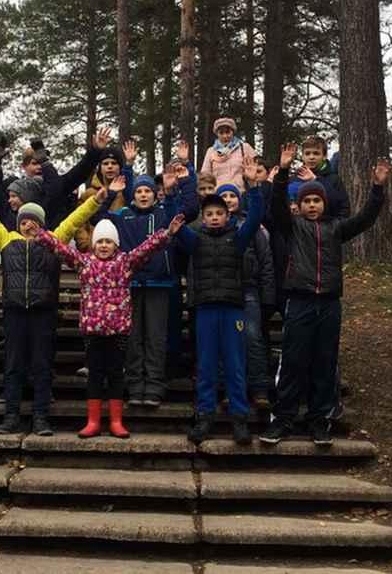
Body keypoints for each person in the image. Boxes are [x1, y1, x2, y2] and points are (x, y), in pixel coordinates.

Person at [261, 144, 391, 446]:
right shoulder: (292, 227)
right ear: (300, 205)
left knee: (324, 363)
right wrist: (282, 172)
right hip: (300, 301)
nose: (312, 205)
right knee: (292, 362)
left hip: (329, 304)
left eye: (317, 200)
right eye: (306, 201)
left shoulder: (336, 228)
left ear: (325, 203)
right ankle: (282, 419)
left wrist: (377, 189)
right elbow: (277, 205)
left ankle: (319, 421)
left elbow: (366, 219)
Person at [35, 181, 186, 438]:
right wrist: (41, 233)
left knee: (116, 375)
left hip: (117, 331)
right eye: (100, 242)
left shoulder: (125, 263)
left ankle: (116, 421)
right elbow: (60, 248)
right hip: (93, 331)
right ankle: (93, 421)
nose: (104, 245)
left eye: (108, 242)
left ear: (116, 245)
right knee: (95, 375)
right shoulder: (84, 263)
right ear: (94, 244)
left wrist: (167, 234)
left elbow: (147, 247)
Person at [0, 179, 107, 437]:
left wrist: (95, 202)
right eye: (23, 221)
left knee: (42, 365)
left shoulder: (53, 240)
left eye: (32, 221)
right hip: (15, 311)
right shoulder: (7, 240)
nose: (27, 224)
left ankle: (41, 418)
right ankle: (11, 417)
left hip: (43, 311)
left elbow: (74, 220)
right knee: (13, 364)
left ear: (41, 223)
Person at [173, 156, 265, 445]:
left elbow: (255, 218)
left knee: (236, 365)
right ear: (203, 217)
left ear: (227, 216)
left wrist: (253, 186)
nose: (214, 217)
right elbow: (176, 221)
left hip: (232, 309)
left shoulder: (237, 239)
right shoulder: (195, 240)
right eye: (209, 213)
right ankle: (204, 417)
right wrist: (180, 187)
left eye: (219, 213)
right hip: (205, 309)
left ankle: (240, 419)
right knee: (206, 366)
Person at [94, 157, 198, 407]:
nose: (143, 195)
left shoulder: (164, 213)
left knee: (155, 338)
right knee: (133, 338)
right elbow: (97, 219)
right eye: (139, 191)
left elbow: (190, 210)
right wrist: (111, 194)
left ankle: (154, 386)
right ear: (133, 194)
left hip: (159, 284)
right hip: (129, 286)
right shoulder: (123, 216)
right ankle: (134, 386)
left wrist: (176, 188)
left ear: (154, 194)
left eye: (148, 191)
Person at [216, 183, 277, 410]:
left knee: (252, 337)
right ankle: (231, 389)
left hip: (249, 290)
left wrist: (267, 296)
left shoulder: (252, 227)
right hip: (223, 292)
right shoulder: (212, 226)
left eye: (232, 195)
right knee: (227, 342)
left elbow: (266, 262)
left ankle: (260, 389)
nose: (228, 199)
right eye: (224, 196)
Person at [199, 116, 257, 192]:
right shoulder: (211, 151)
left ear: (233, 132)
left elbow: (257, 169)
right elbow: (205, 175)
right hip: (218, 193)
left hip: (240, 193)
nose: (225, 136)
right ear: (217, 134)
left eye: (228, 132)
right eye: (221, 133)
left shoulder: (245, 148)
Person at [299, 135, 349, 218]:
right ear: (302, 157)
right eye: (307, 153)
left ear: (324, 156)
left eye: (316, 153)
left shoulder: (334, 179)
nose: (311, 157)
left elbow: (343, 209)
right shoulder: (295, 179)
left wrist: (316, 180)